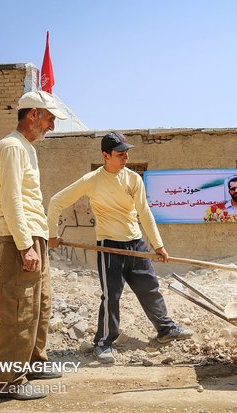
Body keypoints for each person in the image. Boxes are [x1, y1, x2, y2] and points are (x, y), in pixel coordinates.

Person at [47, 131, 193, 364]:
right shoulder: (92, 180)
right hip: (109, 247)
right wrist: (52, 235)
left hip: (136, 244)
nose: (126, 156)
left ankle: (165, 329)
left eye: (127, 152)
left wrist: (158, 245)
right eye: (120, 153)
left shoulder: (133, 179)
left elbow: (145, 213)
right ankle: (104, 342)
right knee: (111, 296)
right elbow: (56, 202)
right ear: (106, 155)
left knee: (149, 288)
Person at [0, 90, 68, 399]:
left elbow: (29, 201)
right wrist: (25, 245)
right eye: (49, 118)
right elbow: (12, 200)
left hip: (33, 236)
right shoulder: (11, 147)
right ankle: (9, 381)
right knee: (18, 309)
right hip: (17, 239)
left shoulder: (26, 148)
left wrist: (43, 237)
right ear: (32, 114)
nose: (52, 126)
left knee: (39, 305)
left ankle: (33, 363)